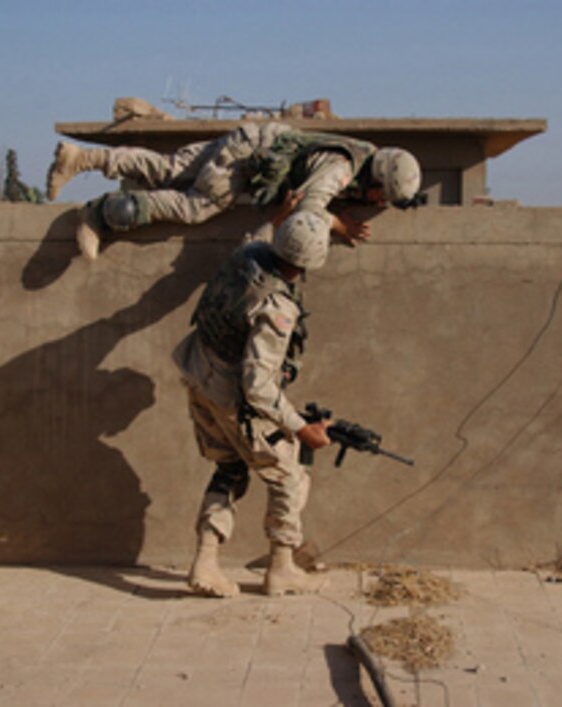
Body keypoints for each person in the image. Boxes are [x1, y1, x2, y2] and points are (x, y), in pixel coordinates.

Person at [173, 210, 332, 598]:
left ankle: (206, 562)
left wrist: (282, 215)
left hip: (198, 374)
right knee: (288, 471)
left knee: (229, 469)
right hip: (232, 397)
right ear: (310, 263)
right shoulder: (278, 306)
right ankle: (281, 568)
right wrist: (300, 427)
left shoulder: (247, 254)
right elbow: (257, 383)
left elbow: (259, 232)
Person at [45, 121, 422, 260]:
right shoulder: (339, 169)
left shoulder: (366, 156)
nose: (379, 203)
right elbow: (305, 209)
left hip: (251, 137)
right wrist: (339, 225)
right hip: (246, 157)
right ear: (376, 182)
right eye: (382, 196)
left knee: (168, 169)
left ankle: (82, 158)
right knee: (197, 206)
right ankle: (100, 214)